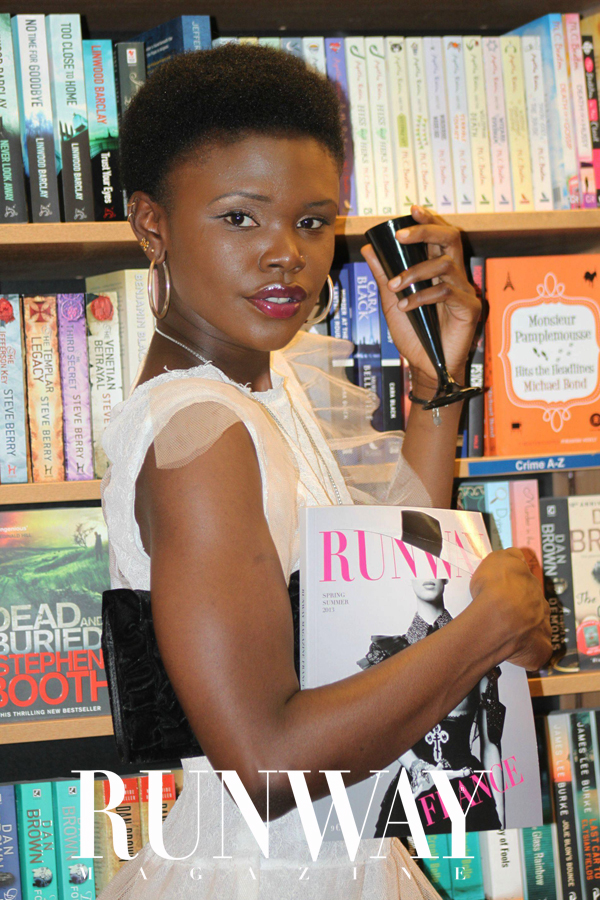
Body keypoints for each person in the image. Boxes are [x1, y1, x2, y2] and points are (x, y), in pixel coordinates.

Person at [98, 43, 551, 900]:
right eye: (240, 217)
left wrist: (436, 384)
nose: (286, 255)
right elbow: (266, 765)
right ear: (151, 223)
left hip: (330, 861)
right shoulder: (201, 428)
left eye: (312, 222)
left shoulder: (266, 387)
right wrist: (486, 628)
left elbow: (386, 576)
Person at [359, 577, 505, 838]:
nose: (427, 575)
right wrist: (415, 766)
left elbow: (491, 745)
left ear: (445, 577)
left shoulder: (478, 652)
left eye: (434, 568)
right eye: (419, 569)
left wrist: (502, 824)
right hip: (414, 792)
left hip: (469, 792)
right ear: (409, 578)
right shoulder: (388, 656)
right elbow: (385, 730)